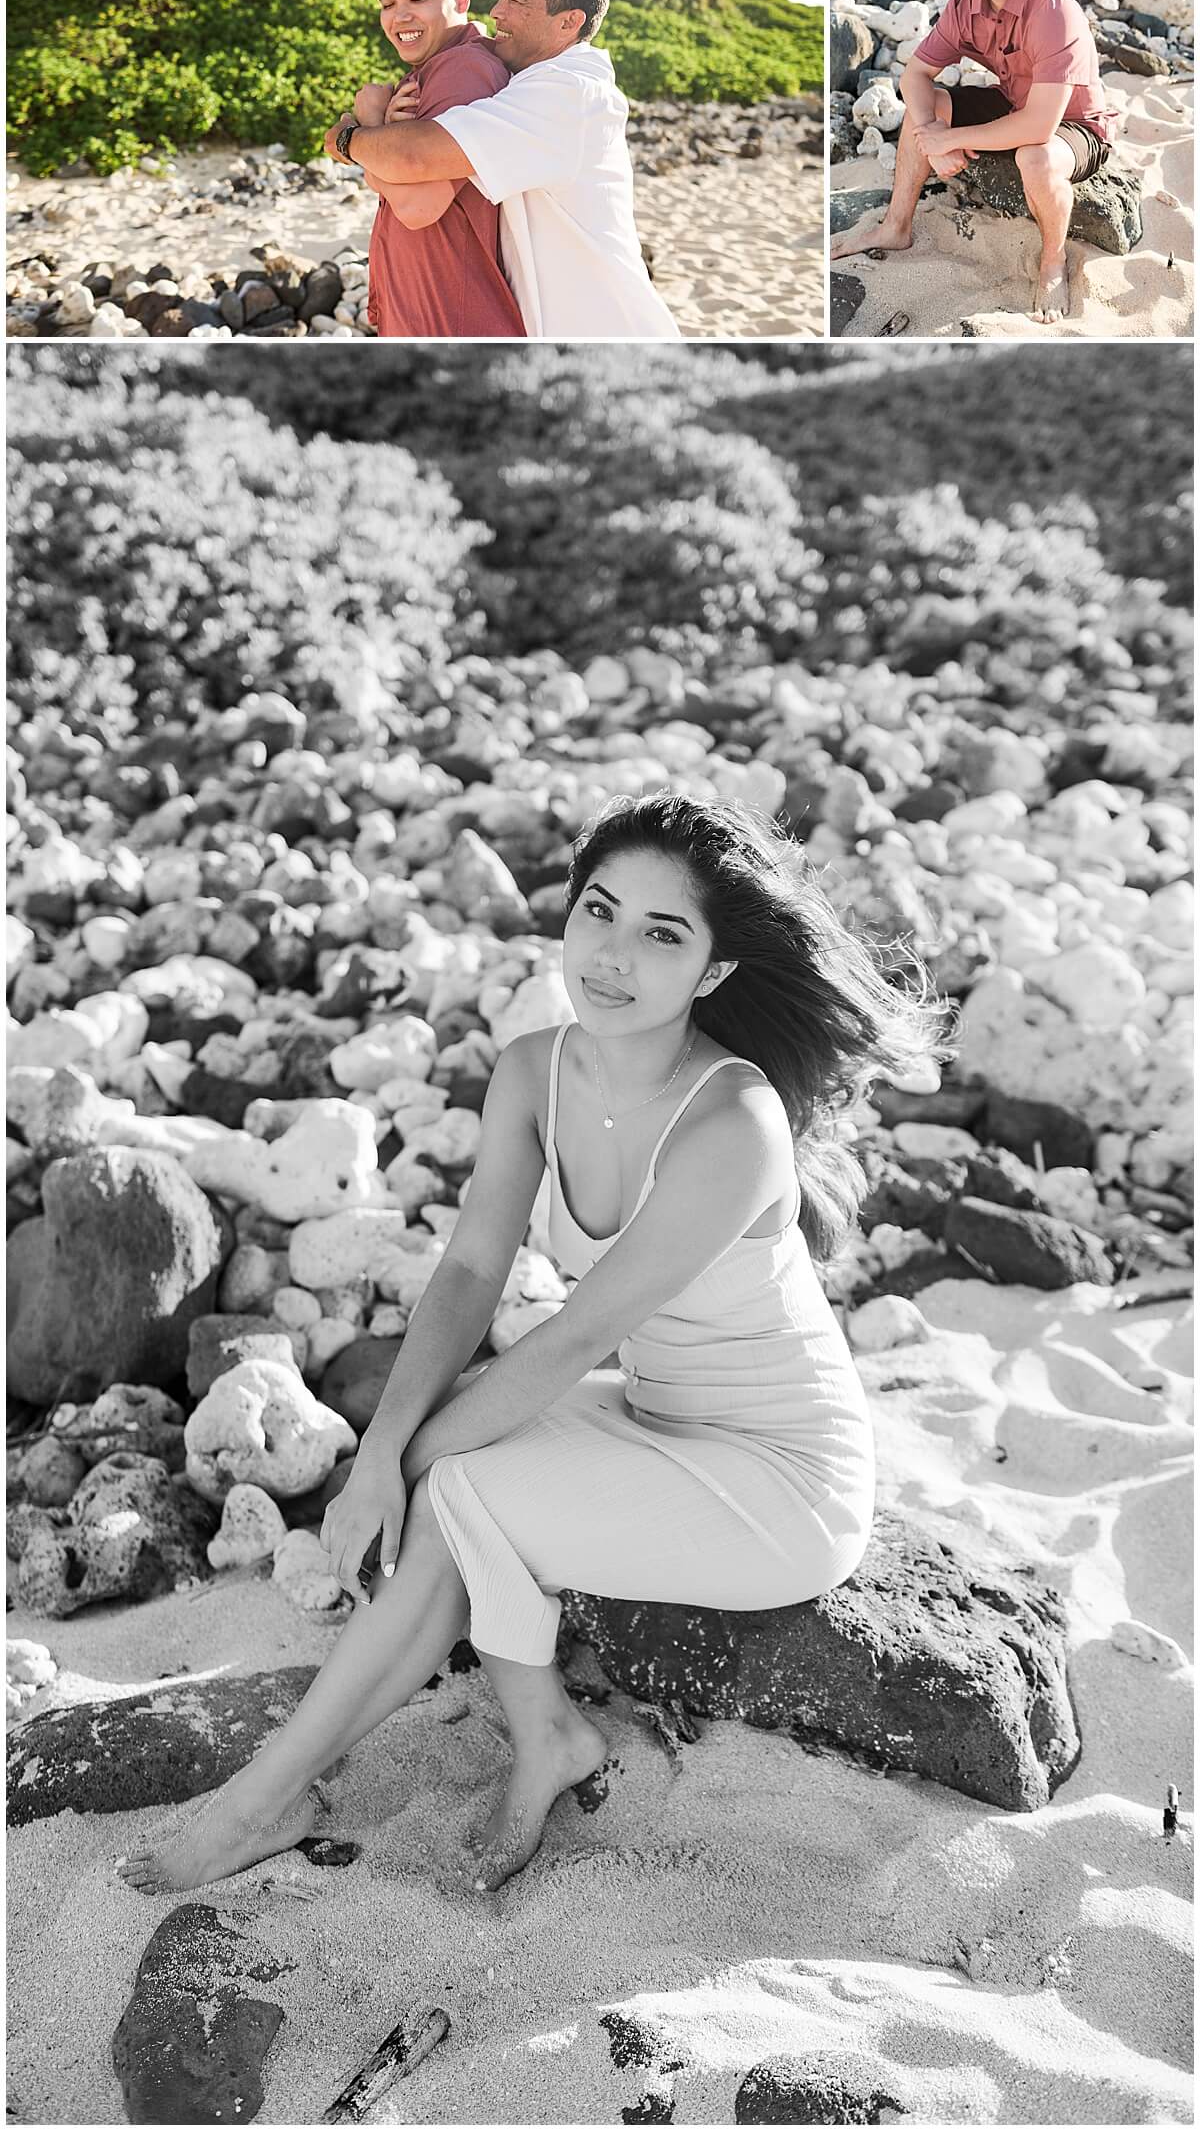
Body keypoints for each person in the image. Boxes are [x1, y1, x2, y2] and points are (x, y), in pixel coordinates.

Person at [116, 792, 944, 1899]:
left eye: (663, 934)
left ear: (711, 973)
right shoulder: (533, 1071)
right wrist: (380, 1448)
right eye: (599, 912)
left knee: (459, 1486)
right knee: (450, 1459)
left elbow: (579, 1330)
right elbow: (468, 1273)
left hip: (780, 1479)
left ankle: (272, 1796)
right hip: (654, 1413)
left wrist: (399, 1466)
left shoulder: (731, 1122)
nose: (611, 956)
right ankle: (530, 1732)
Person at [325, 0, 681, 340]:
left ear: (569, 21)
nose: (495, 12)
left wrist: (351, 136)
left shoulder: (565, 96)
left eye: (516, 0)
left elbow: (415, 170)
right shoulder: (527, 83)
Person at [831, 0, 1113, 326]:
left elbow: (1039, 126)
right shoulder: (966, 3)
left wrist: (951, 137)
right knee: (929, 106)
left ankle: (1052, 260)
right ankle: (896, 227)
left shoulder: (1054, 12)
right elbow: (915, 75)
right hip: (1011, 102)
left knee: (1035, 157)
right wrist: (934, 139)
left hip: (1074, 126)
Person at [336, 0, 524, 339]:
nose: (400, 16)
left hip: (451, 321)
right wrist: (378, 138)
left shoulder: (464, 69)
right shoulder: (432, 69)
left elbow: (418, 207)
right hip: (431, 313)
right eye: (388, 3)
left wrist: (365, 129)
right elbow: (395, 180)